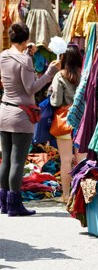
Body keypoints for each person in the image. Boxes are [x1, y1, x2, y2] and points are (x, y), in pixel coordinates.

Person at [0, 23, 60, 216]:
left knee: (6, 160)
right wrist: (50, 73)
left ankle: (3, 203)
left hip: (4, 110)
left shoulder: (3, 56)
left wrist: (28, 54)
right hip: (21, 115)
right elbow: (30, 88)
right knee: (17, 161)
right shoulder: (25, 60)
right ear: (25, 39)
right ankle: (15, 205)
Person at [49, 44, 84, 202]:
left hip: (64, 119)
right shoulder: (84, 74)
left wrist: (50, 94)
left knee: (66, 160)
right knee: (82, 160)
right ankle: (82, 194)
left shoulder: (60, 76)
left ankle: (66, 195)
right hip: (81, 119)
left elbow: (56, 101)